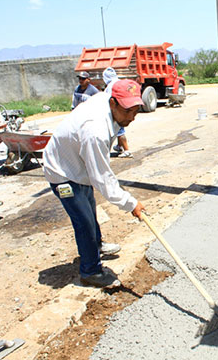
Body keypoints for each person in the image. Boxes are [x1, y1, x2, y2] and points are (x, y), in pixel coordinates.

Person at [43, 79, 145, 288]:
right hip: (62, 173)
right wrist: (130, 203)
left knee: (90, 209)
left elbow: (98, 173)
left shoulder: (107, 102)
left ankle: (95, 246)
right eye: (128, 111)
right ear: (113, 104)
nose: (132, 117)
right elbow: (102, 178)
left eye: (135, 111)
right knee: (84, 221)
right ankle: (90, 271)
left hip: (78, 166)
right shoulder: (95, 131)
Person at [103, 67, 133, 158]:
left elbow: (107, 99)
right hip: (124, 108)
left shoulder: (110, 86)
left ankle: (127, 150)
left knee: (119, 130)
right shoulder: (120, 83)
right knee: (118, 129)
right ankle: (119, 146)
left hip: (117, 110)